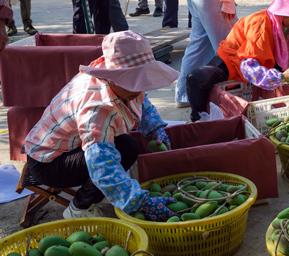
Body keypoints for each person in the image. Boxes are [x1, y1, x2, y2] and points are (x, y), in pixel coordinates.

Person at [24, 31, 179, 220]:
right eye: (133, 82)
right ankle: (78, 208)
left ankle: (97, 197)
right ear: (114, 77)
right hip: (47, 164)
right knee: (125, 150)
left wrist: (154, 127)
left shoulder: (117, 83)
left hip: (65, 149)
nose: (139, 88)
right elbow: (102, 166)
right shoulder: (96, 107)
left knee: (125, 145)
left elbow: (141, 99)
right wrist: (139, 201)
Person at [186, 0, 289, 121]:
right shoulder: (260, 24)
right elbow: (249, 68)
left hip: (266, 61)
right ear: (281, 14)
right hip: (233, 61)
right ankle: (199, 118)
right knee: (196, 79)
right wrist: (282, 77)